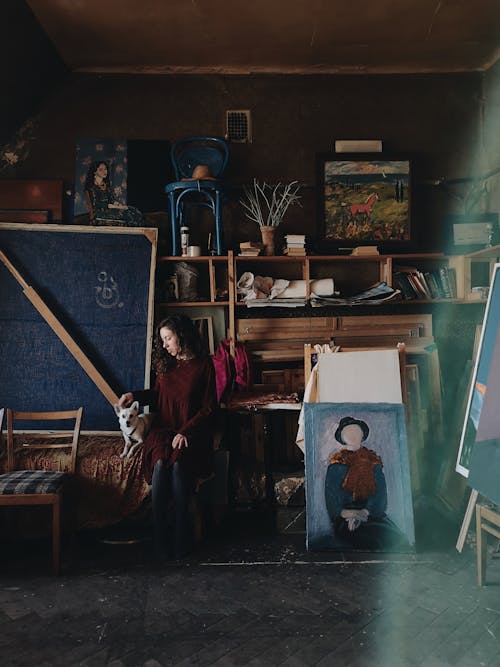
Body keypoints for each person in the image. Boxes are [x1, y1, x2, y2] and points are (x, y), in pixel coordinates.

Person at [117, 315, 217, 560]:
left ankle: (181, 534)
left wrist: (186, 431)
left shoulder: (204, 365)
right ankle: (160, 535)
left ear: (181, 336)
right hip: (164, 430)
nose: (165, 345)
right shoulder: (166, 365)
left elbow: (209, 408)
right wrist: (133, 395)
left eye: (168, 339)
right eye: (162, 340)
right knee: (161, 463)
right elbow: (157, 395)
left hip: (191, 432)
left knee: (179, 464)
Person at [324, 416, 403, 549]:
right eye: (348, 432)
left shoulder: (373, 463)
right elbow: (332, 500)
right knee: (371, 540)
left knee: (395, 537)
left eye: (356, 431)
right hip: (345, 519)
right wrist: (351, 515)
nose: (353, 435)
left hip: (370, 515)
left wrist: (364, 513)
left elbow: (380, 496)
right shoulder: (336, 466)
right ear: (342, 437)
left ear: (362, 435)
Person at [85, 160, 143, 226]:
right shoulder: (91, 188)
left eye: (105, 169)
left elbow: (112, 200)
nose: (104, 172)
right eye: (101, 170)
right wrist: (117, 207)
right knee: (127, 214)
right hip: (100, 212)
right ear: (94, 172)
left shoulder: (107, 186)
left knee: (133, 210)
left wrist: (118, 204)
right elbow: (98, 204)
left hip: (111, 209)